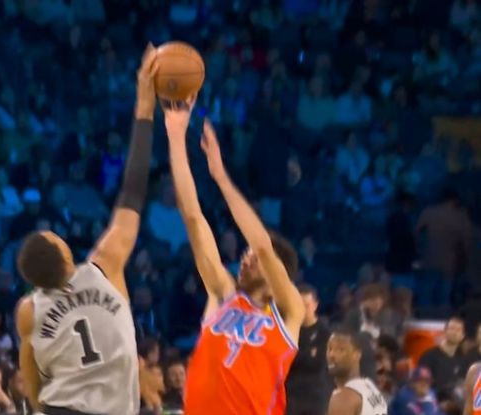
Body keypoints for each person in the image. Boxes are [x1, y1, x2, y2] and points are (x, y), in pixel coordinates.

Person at [14, 44, 158, 415]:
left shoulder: (28, 310)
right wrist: (145, 106)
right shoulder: (103, 267)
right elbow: (133, 190)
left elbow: (32, 385)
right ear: (64, 252)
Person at [164, 105, 305, 414]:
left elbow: (263, 246)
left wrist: (221, 177)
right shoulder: (223, 294)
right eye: (244, 256)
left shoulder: (288, 312)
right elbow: (193, 216)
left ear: (277, 271)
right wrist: (175, 136)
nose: (245, 260)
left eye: (251, 259)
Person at [286, 284, 332, 415]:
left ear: (315, 305)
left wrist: (297, 355)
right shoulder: (288, 330)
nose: (303, 310)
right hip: (291, 398)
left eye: (307, 305)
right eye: (299, 305)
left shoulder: (325, 333)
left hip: (316, 400)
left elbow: (318, 362)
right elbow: (284, 361)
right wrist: (308, 354)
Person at [326, 329, 387, 415]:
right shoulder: (371, 387)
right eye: (330, 349)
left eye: (340, 350)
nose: (332, 355)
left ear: (357, 354)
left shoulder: (344, 399)